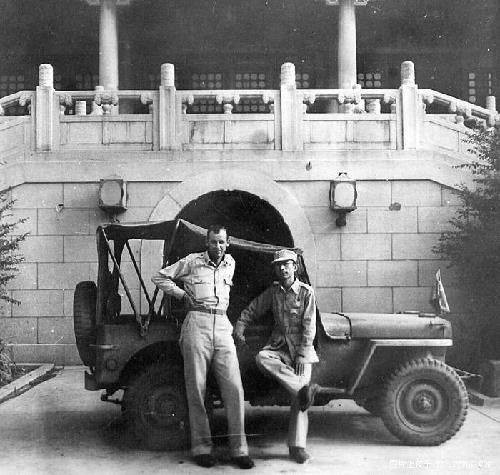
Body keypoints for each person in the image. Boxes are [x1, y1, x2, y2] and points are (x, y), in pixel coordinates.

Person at [151, 225, 254, 469]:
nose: (217, 246)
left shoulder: (231, 263)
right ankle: (201, 448)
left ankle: (239, 450)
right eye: (213, 242)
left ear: (227, 243)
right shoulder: (192, 262)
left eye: (221, 242)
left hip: (222, 326)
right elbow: (159, 276)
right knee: (196, 387)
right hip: (197, 322)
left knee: (234, 388)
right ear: (206, 243)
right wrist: (181, 296)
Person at [233, 249, 319, 464]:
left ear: (295, 267)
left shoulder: (306, 292)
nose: (282, 268)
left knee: (298, 394)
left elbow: (310, 327)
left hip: (301, 350)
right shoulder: (273, 292)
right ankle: (303, 391)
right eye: (278, 265)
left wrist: (301, 356)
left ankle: (297, 447)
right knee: (262, 358)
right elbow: (253, 309)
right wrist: (240, 325)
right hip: (279, 347)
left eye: (286, 264)